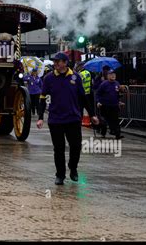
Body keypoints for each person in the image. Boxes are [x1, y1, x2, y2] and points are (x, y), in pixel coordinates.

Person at [36, 52, 99, 185]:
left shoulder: (76, 77)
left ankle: (73, 168)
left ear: (65, 62)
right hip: (56, 119)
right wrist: (41, 117)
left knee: (75, 146)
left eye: (58, 62)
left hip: (73, 118)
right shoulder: (48, 78)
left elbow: (83, 98)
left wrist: (92, 114)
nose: (55, 64)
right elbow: (42, 98)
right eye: (54, 62)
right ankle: (60, 175)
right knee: (58, 149)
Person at [95, 70, 124, 139]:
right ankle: (103, 133)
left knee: (115, 120)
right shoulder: (104, 84)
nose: (113, 75)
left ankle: (118, 134)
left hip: (114, 105)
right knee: (104, 121)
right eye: (111, 74)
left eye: (114, 74)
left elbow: (118, 94)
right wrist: (98, 102)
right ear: (108, 76)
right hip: (105, 105)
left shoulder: (117, 83)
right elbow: (98, 94)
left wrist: (120, 99)